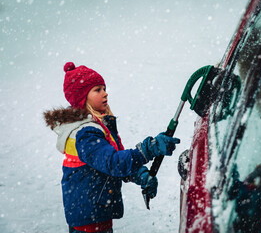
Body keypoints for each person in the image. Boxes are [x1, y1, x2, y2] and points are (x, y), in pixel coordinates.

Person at [44, 62, 180, 233]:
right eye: (97, 90)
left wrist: (141, 174)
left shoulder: (99, 124)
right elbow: (113, 163)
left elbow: (114, 159)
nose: (105, 93)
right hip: (88, 217)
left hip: (96, 211)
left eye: (104, 88)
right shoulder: (86, 134)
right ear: (82, 97)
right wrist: (149, 149)